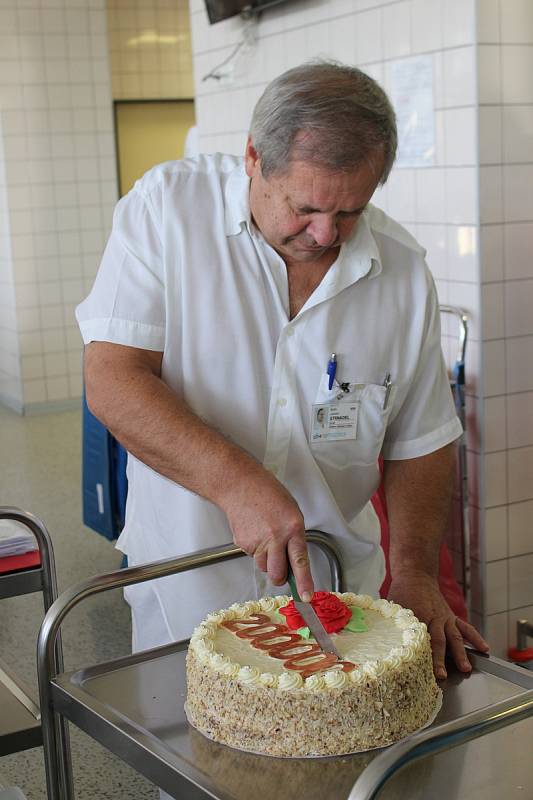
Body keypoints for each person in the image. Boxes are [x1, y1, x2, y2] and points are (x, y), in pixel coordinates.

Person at [77, 61, 488, 686]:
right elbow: (113, 379)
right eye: (306, 207)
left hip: (339, 595)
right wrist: (236, 482)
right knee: (193, 771)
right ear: (252, 159)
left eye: (351, 211)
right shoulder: (167, 212)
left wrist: (413, 572)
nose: (326, 234)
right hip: (187, 584)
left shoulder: (400, 272)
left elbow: (421, 439)